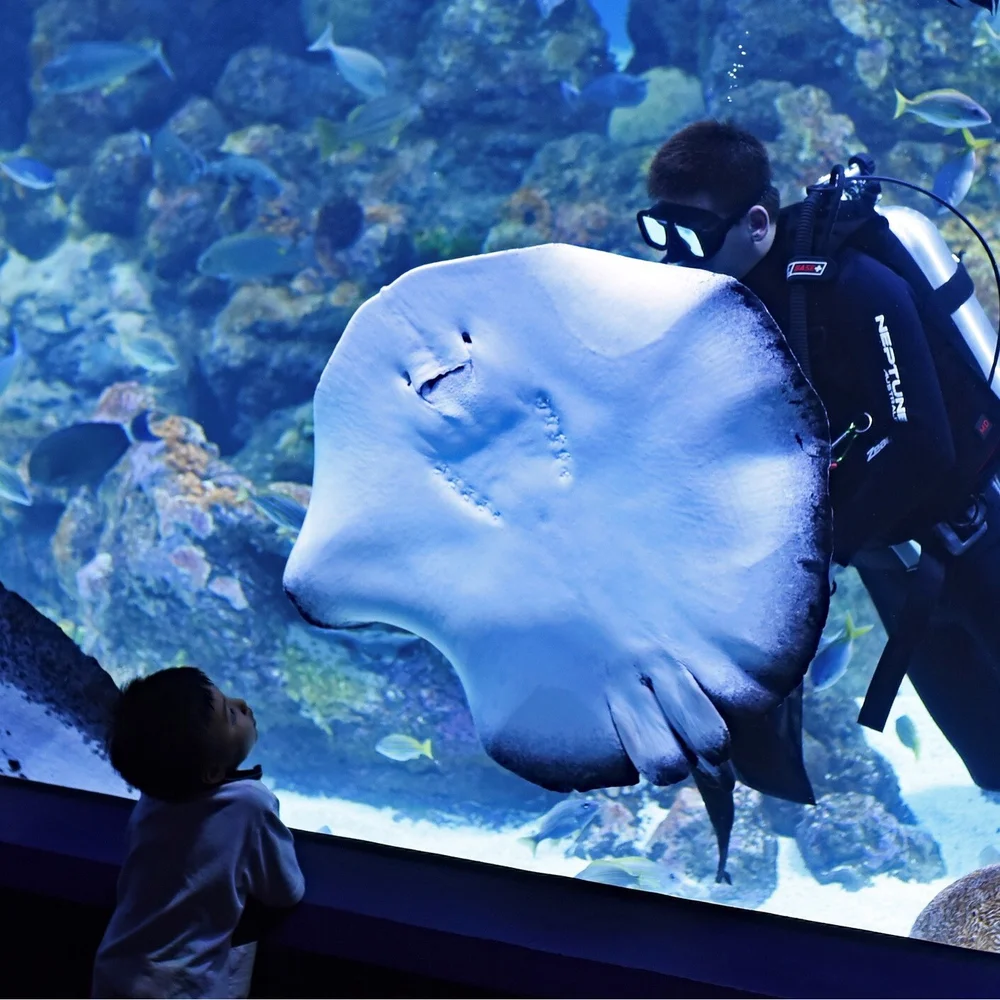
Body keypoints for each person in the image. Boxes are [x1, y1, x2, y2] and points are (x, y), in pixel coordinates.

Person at [635, 119, 1000, 791]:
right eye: (660, 233)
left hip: (981, 546)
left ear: (754, 223)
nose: (674, 259)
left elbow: (924, 444)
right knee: (992, 765)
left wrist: (819, 557)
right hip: (894, 574)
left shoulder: (855, 286)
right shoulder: (725, 310)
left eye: (691, 236)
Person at [91, 666, 305, 999]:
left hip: (116, 972)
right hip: (186, 987)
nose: (243, 704)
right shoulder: (249, 803)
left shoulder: (154, 795)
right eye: (231, 716)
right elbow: (287, 890)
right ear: (213, 771)